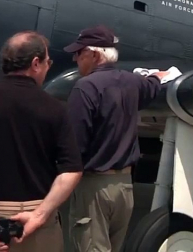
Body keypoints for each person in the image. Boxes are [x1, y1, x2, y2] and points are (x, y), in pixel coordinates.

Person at [0, 31, 83, 252]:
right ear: (35, 63)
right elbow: (71, 169)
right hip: (39, 219)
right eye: (47, 62)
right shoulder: (55, 108)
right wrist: (40, 215)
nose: (47, 67)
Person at [63, 25, 168, 252]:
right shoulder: (133, 82)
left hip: (94, 188)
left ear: (94, 54)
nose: (75, 58)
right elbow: (154, 84)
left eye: (79, 53)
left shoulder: (85, 88)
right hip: (124, 188)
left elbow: (74, 145)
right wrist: (158, 76)